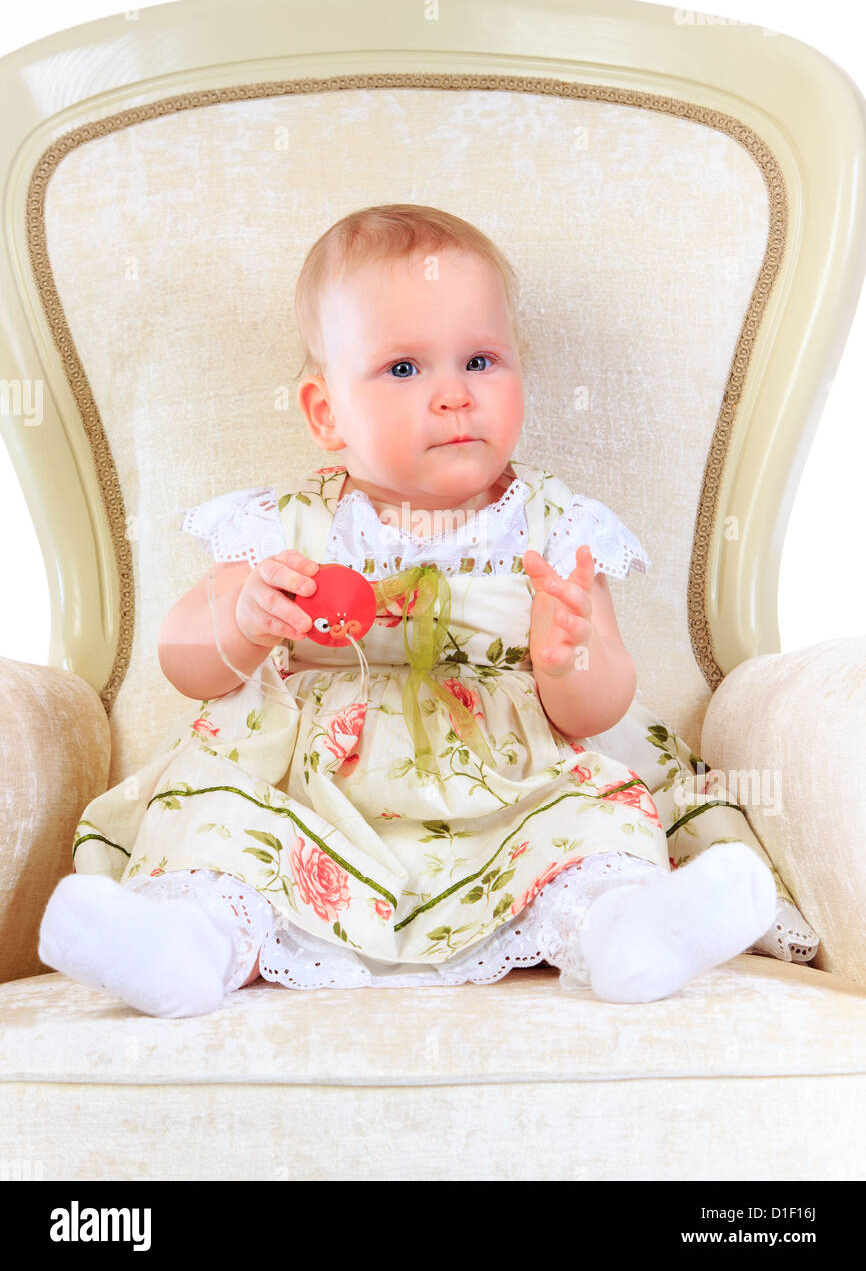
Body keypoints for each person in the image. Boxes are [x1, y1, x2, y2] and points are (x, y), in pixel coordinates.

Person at [37, 204, 819, 1018]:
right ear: (325, 411)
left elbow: (603, 705)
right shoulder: (281, 526)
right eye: (404, 369)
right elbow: (186, 663)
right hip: (313, 792)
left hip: (512, 784)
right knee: (222, 824)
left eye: (481, 360)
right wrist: (242, 617)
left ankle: (621, 928)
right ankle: (189, 941)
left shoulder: (557, 526)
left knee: (591, 818)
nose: (453, 395)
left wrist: (569, 659)